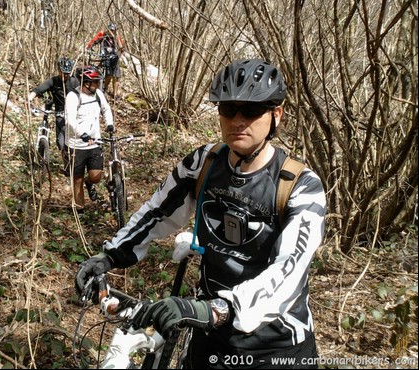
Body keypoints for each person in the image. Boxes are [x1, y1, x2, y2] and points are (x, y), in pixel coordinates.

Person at [75, 58, 327, 369]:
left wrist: (218, 310)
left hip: (275, 346)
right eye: (227, 109)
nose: (237, 121)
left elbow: (290, 269)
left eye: (251, 111)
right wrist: (110, 256)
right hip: (209, 335)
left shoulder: (300, 186)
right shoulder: (203, 163)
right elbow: (156, 212)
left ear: (276, 114)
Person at [65, 66, 114, 212]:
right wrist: (82, 134)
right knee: (77, 178)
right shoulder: (73, 97)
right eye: (94, 82)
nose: (97, 85)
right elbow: (70, 120)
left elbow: (106, 109)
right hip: (77, 144)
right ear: (86, 83)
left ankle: (90, 183)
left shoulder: (98, 94)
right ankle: (79, 209)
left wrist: (110, 123)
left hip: (94, 143)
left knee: (96, 176)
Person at [27, 57, 80, 174]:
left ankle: (72, 167)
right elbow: (38, 90)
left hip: (73, 114)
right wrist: (29, 100)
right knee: (61, 142)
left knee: (72, 141)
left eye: (67, 73)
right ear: (59, 70)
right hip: (60, 113)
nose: (65, 76)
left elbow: (82, 96)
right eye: (63, 73)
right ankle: (66, 165)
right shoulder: (53, 81)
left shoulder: (75, 82)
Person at [86, 23, 125, 96]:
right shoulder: (103, 34)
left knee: (116, 76)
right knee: (109, 75)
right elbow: (94, 40)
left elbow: (121, 47)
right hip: (106, 56)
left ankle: (115, 94)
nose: (111, 32)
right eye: (110, 30)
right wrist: (89, 48)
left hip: (115, 57)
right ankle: (104, 89)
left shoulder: (116, 36)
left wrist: (120, 50)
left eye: (113, 30)